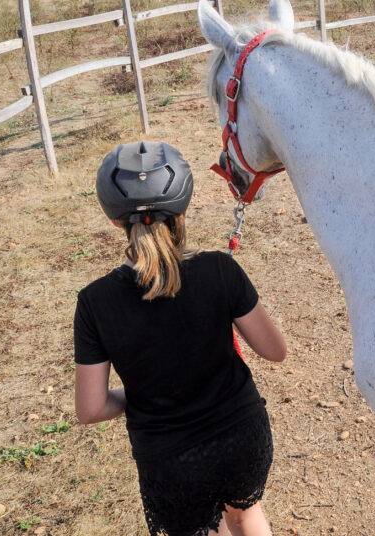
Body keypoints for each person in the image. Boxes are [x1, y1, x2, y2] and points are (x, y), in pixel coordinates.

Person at [74, 141, 286, 536]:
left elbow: (90, 409)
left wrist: (132, 396)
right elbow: (275, 351)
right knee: (245, 515)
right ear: (182, 210)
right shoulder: (220, 270)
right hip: (241, 436)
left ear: (115, 220)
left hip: (169, 461)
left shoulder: (94, 303)